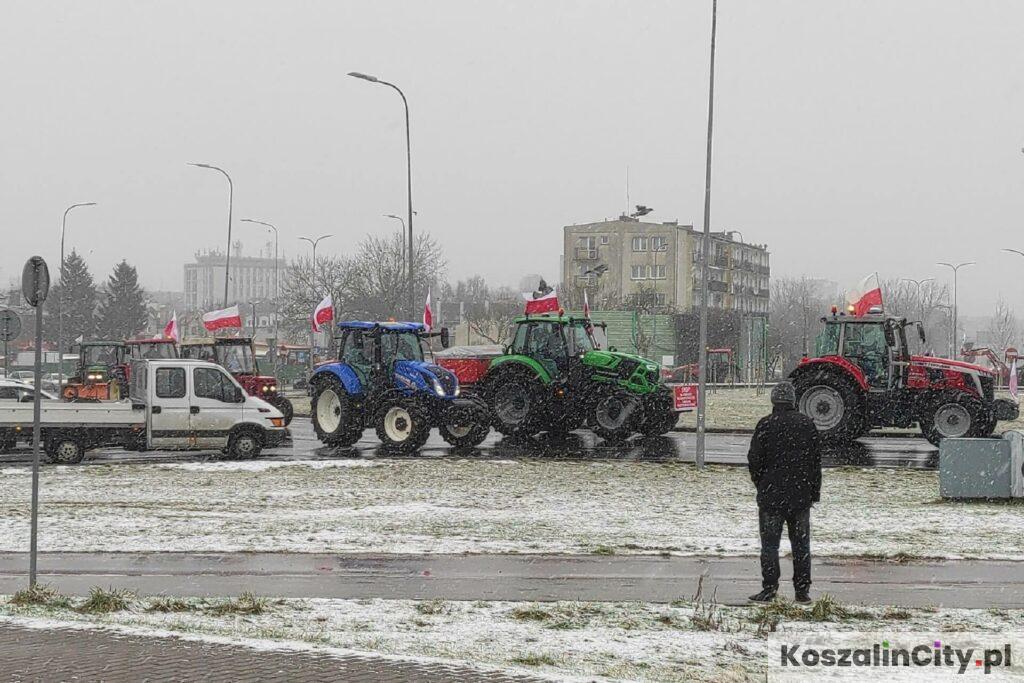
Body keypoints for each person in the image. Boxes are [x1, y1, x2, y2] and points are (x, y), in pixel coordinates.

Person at [746, 381, 822, 604]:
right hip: (800, 497)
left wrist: (761, 484)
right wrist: (812, 493)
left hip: (771, 496)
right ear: (793, 400)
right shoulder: (807, 425)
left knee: (770, 545)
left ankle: (769, 588)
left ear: (773, 400)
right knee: (801, 545)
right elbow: (815, 463)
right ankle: (802, 590)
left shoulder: (766, 424)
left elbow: (754, 460)